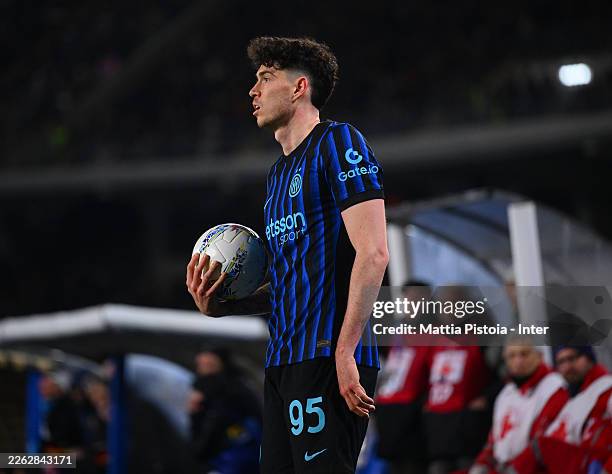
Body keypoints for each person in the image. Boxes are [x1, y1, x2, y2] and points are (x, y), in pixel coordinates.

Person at [186, 36, 388, 473]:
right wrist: (224, 306)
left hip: (327, 356)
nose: (253, 90)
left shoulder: (339, 142)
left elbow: (373, 253)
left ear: (299, 87)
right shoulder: (277, 175)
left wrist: (346, 351)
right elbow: (286, 285)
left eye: (265, 77)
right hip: (282, 361)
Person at [470, 338, 568, 473]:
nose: (518, 361)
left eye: (524, 354)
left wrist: (515, 468)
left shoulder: (554, 388)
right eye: (512, 356)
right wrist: (482, 464)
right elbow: (494, 439)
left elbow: (543, 441)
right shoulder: (506, 393)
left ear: (539, 356)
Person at [508, 346, 612, 473]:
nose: (567, 367)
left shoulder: (606, 389)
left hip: (590, 463)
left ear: (589, 358)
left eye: (572, 358)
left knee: (540, 447)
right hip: (566, 464)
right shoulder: (567, 397)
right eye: (561, 362)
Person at [375, 281, 432, 474]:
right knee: (393, 463)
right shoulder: (395, 328)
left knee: (413, 463)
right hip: (388, 404)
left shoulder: (435, 328)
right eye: (409, 297)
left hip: (414, 405)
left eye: (417, 297)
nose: (412, 301)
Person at [188, 348, 262, 474]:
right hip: (218, 454)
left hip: (231, 454)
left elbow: (217, 423)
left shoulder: (233, 388)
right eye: (201, 364)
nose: (204, 369)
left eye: (209, 364)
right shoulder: (199, 386)